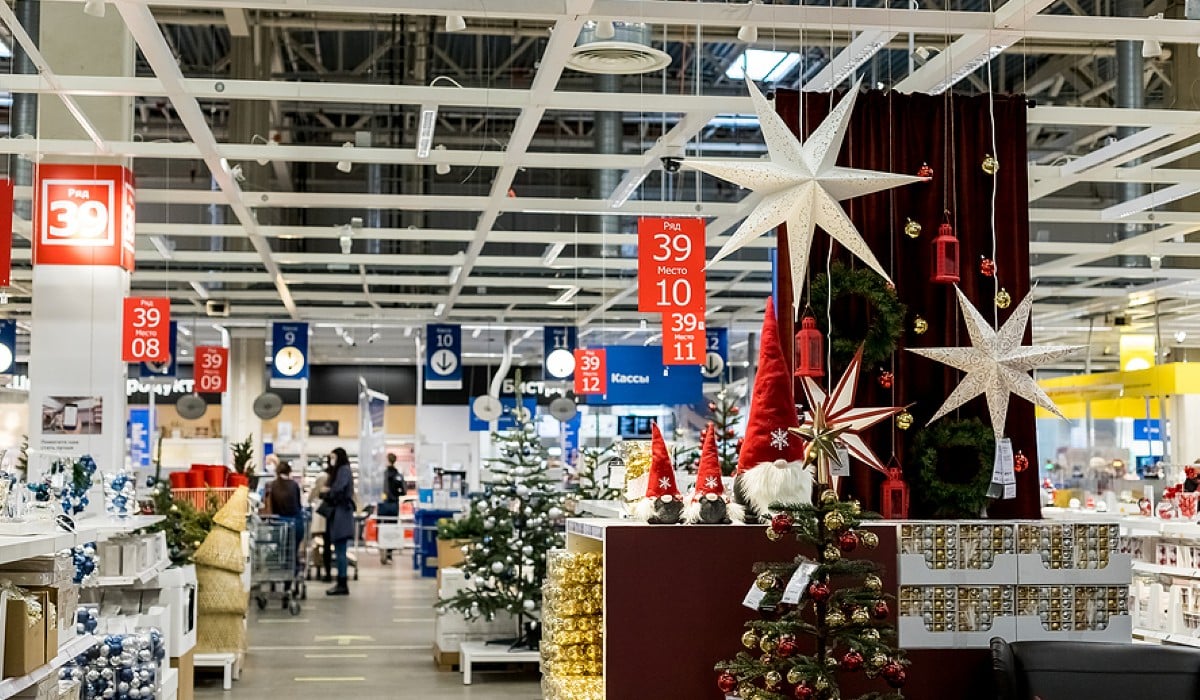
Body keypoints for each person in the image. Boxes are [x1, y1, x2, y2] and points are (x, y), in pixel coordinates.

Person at [321, 447, 356, 596]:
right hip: (341, 514)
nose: (331, 461)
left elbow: (338, 488)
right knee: (340, 550)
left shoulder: (343, 470)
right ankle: (341, 582)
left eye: (333, 457)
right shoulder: (343, 470)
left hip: (341, 515)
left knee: (340, 550)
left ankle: (342, 583)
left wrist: (327, 492)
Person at [265, 461, 305, 581]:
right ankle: (293, 572)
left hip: (279, 523)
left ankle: (281, 572)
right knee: (292, 550)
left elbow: (270, 507)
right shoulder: (294, 485)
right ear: (289, 472)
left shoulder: (272, 485)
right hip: (295, 522)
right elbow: (298, 505)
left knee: (282, 549)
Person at [377, 452, 407, 564]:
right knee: (391, 529)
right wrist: (396, 494)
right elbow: (404, 491)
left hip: (383, 505)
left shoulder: (382, 475)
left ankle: (382, 552)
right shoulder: (398, 475)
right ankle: (389, 554)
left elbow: (377, 489)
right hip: (394, 505)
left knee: (381, 528)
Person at [309, 464, 332, 583]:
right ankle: (327, 570)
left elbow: (312, 494)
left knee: (316, 542)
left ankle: (318, 567)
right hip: (331, 513)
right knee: (328, 544)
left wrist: (309, 500)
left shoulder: (321, 477)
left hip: (320, 512)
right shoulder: (335, 477)